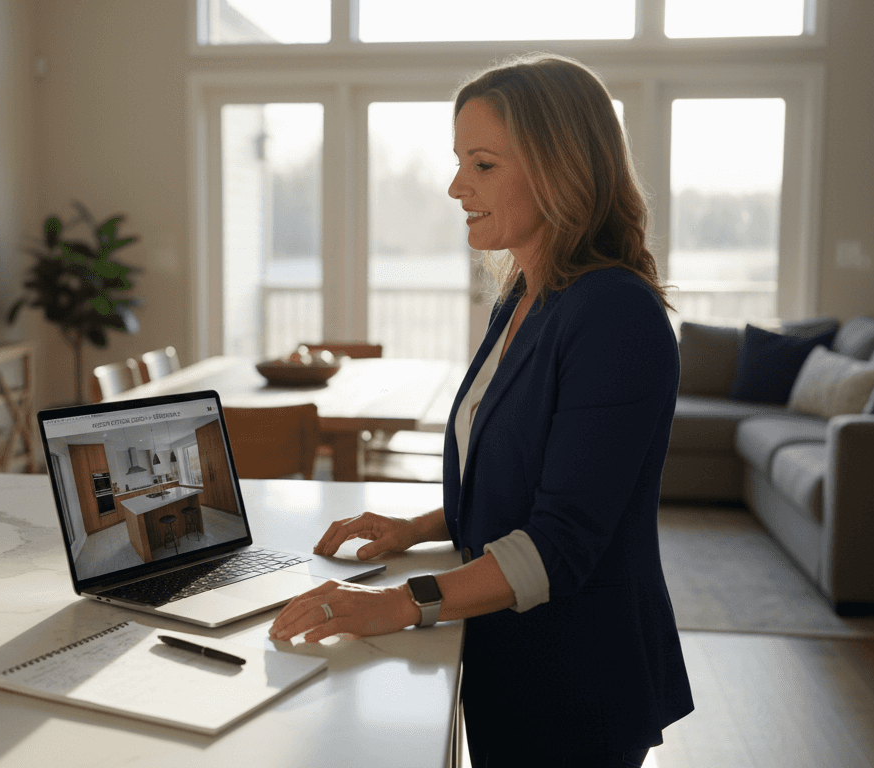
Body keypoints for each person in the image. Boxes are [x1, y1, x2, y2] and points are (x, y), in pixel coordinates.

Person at [268, 52, 694, 766]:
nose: (455, 185)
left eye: (483, 164)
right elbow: (524, 474)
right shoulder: (523, 297)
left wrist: (398, 602)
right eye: (460, 161)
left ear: (561, 169)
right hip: (508, 651)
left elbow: (560, 542)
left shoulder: (614, 314)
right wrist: (421, 524)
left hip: (574, 678)